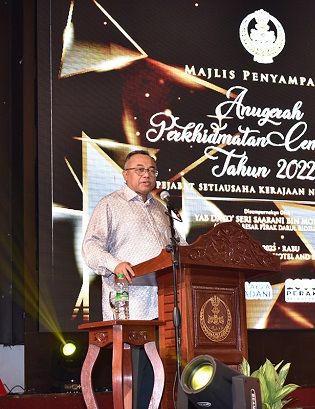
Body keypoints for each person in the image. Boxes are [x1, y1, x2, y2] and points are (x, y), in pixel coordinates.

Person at [82, 150, 179, 408]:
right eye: (140, 169)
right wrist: (115, 263)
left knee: (163, 381)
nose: (147, 174)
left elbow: (180, 250)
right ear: (125, 175)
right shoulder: (110, 205)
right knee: (137, 383)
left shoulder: (161, 210)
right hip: (130, 306)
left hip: (165, 308)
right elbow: (91, 247)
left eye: (151, 170)